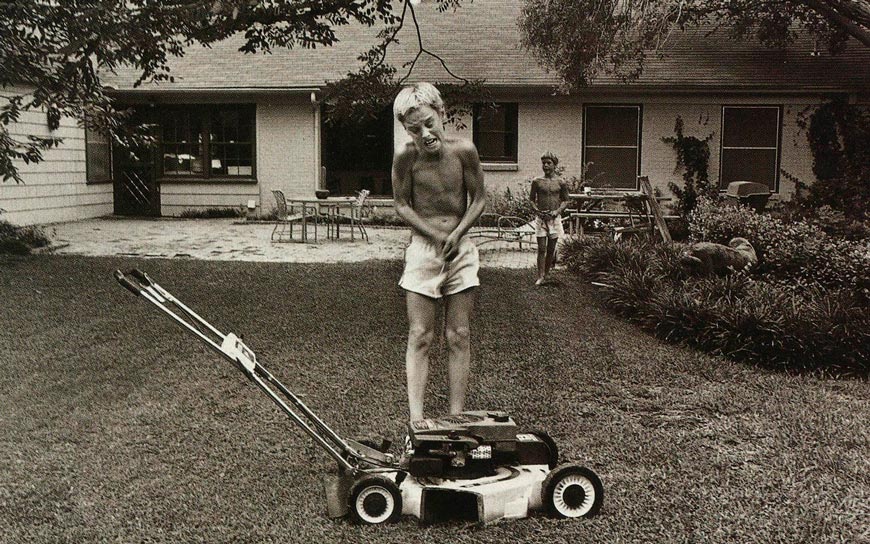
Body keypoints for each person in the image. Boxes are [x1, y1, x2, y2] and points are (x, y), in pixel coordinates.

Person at [391, 82, 486, 423]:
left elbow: (478, 199)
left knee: (458, 335)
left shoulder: (464, 151)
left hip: (461, 251)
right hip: (423, 251)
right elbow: (401, 204)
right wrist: (434, 234)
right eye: (414, 129)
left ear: (442, 113)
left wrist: (458, 233)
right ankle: (417, 421)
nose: (425, 134)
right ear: (406, 130)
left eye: (429, 123)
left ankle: (455, 419)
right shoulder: (406, 156)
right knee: (420, 335)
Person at [529, 151, 570, 285]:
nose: (545, 166)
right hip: (541, 218)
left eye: (549, 163)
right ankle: (540, 276)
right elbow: (531, 200)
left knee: (551, 249)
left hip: (554, 219)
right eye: (544, 163)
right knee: (541, 248)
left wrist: (557, 211)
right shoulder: (537, 181)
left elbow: (566, 200)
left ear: (554, 165)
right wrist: (537, 211)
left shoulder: (560, 182)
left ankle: (546, 273)